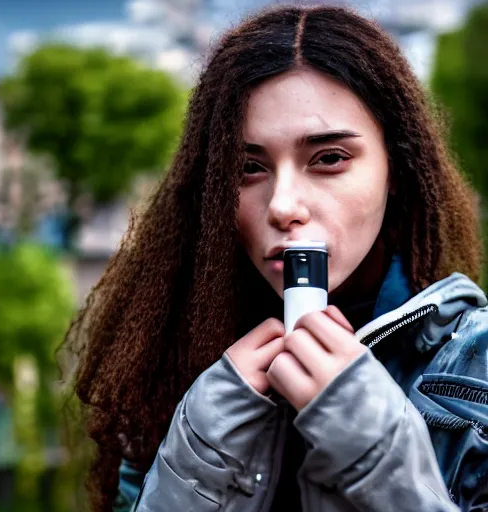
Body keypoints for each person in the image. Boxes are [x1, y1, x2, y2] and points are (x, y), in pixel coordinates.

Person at [62, 4, 488, 512]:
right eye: (248, 167)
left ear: (395, 169)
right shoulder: (170, 360)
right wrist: (197, 466)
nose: (284, 206)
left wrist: (379, 461)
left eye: (329, 158)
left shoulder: (473, 365)